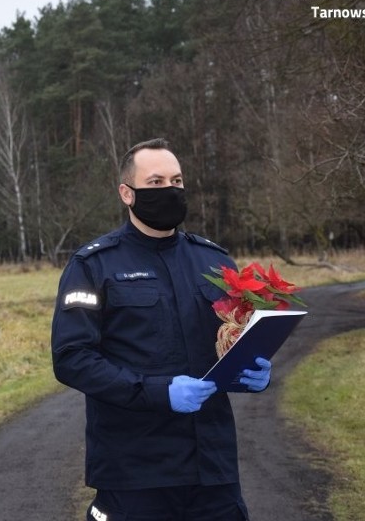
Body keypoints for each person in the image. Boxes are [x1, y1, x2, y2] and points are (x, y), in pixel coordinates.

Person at [51, 138, 272, 521]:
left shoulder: (215, 262)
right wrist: (157, 391)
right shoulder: (93, 266)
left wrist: (252, 367)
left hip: (213, 471)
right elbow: (72, 359)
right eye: (155, 182)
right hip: (135, 471)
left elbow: (233, 338)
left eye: (177, 180)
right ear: (127, 193)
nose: (169, 190)